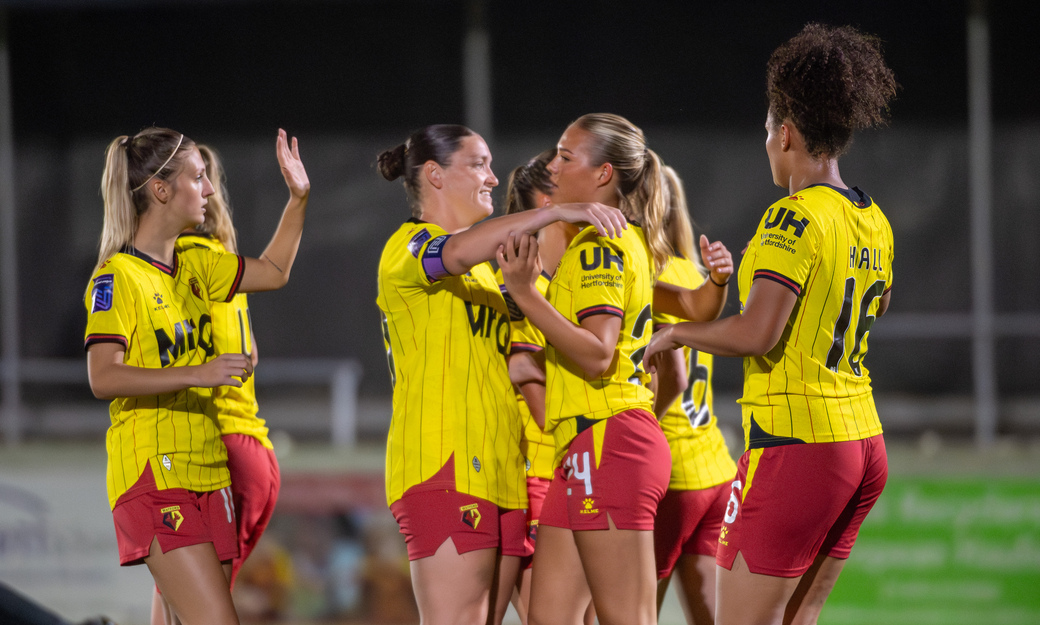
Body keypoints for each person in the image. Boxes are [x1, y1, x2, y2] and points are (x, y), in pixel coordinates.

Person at [643, 23, 897, 625]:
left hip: (799, 444)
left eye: (766, 130)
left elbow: (758, 333)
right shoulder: (874, 219)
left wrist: (676, 332)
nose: (765, 143)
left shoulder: (793, 217)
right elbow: (875, 305)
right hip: (864, 444)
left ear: (786, 133)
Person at [375, 124, 628, 625]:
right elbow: (457, 251)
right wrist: (554, 210)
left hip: (502, 474)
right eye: (478, 164)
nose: (493, 176)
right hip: (442, 469)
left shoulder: (489, 275)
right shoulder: (408, 248)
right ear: (434, 175)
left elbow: (551, 326)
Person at [498, 113, 732, 625]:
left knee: (626, 618)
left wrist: (521, 294)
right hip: (585, 447)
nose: (553, 167)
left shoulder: (598, 246)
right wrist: (715, 283)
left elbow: (598, 352)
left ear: (603, 174)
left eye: (565, 155)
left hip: (610, 443)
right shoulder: (621, 241)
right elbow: (694, 308)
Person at [85, 127, 309, 625]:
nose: (209, 189)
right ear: (161, 190)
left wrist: (298, 198)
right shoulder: (117, 276)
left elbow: (274, 269)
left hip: (210, 473)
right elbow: (103, 377)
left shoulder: (197, 263)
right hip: (154, 475)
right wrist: (199, 371)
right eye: (199, 177)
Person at [146, 144, 283, 625]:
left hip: (217, 446)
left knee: (184, 601)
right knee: (187, 599)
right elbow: (250, 356)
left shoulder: (181, 261)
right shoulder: (220, 257)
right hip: (250, 445)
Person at [649, 165, 738, 625]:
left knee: (629, 612)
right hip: (714, 466)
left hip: (670, 476)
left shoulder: (642, 278)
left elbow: (674, 377)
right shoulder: (694, 275)